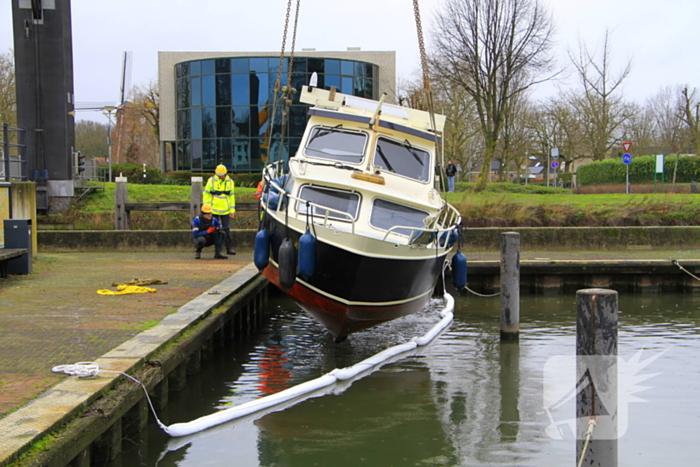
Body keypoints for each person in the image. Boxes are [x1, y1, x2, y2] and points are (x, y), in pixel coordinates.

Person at [203, 164, 237, 255]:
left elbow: (231, 197)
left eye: (222, 174)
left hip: (225, 210)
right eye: (219, 175)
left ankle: (229, 248)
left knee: (226, 229)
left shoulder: (230, 182)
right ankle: (218, 250)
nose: (221, 176)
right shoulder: (211, 181)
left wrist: (232, 211)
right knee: (215, 230)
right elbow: (206, 194)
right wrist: (207, 209)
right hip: (213, 210)